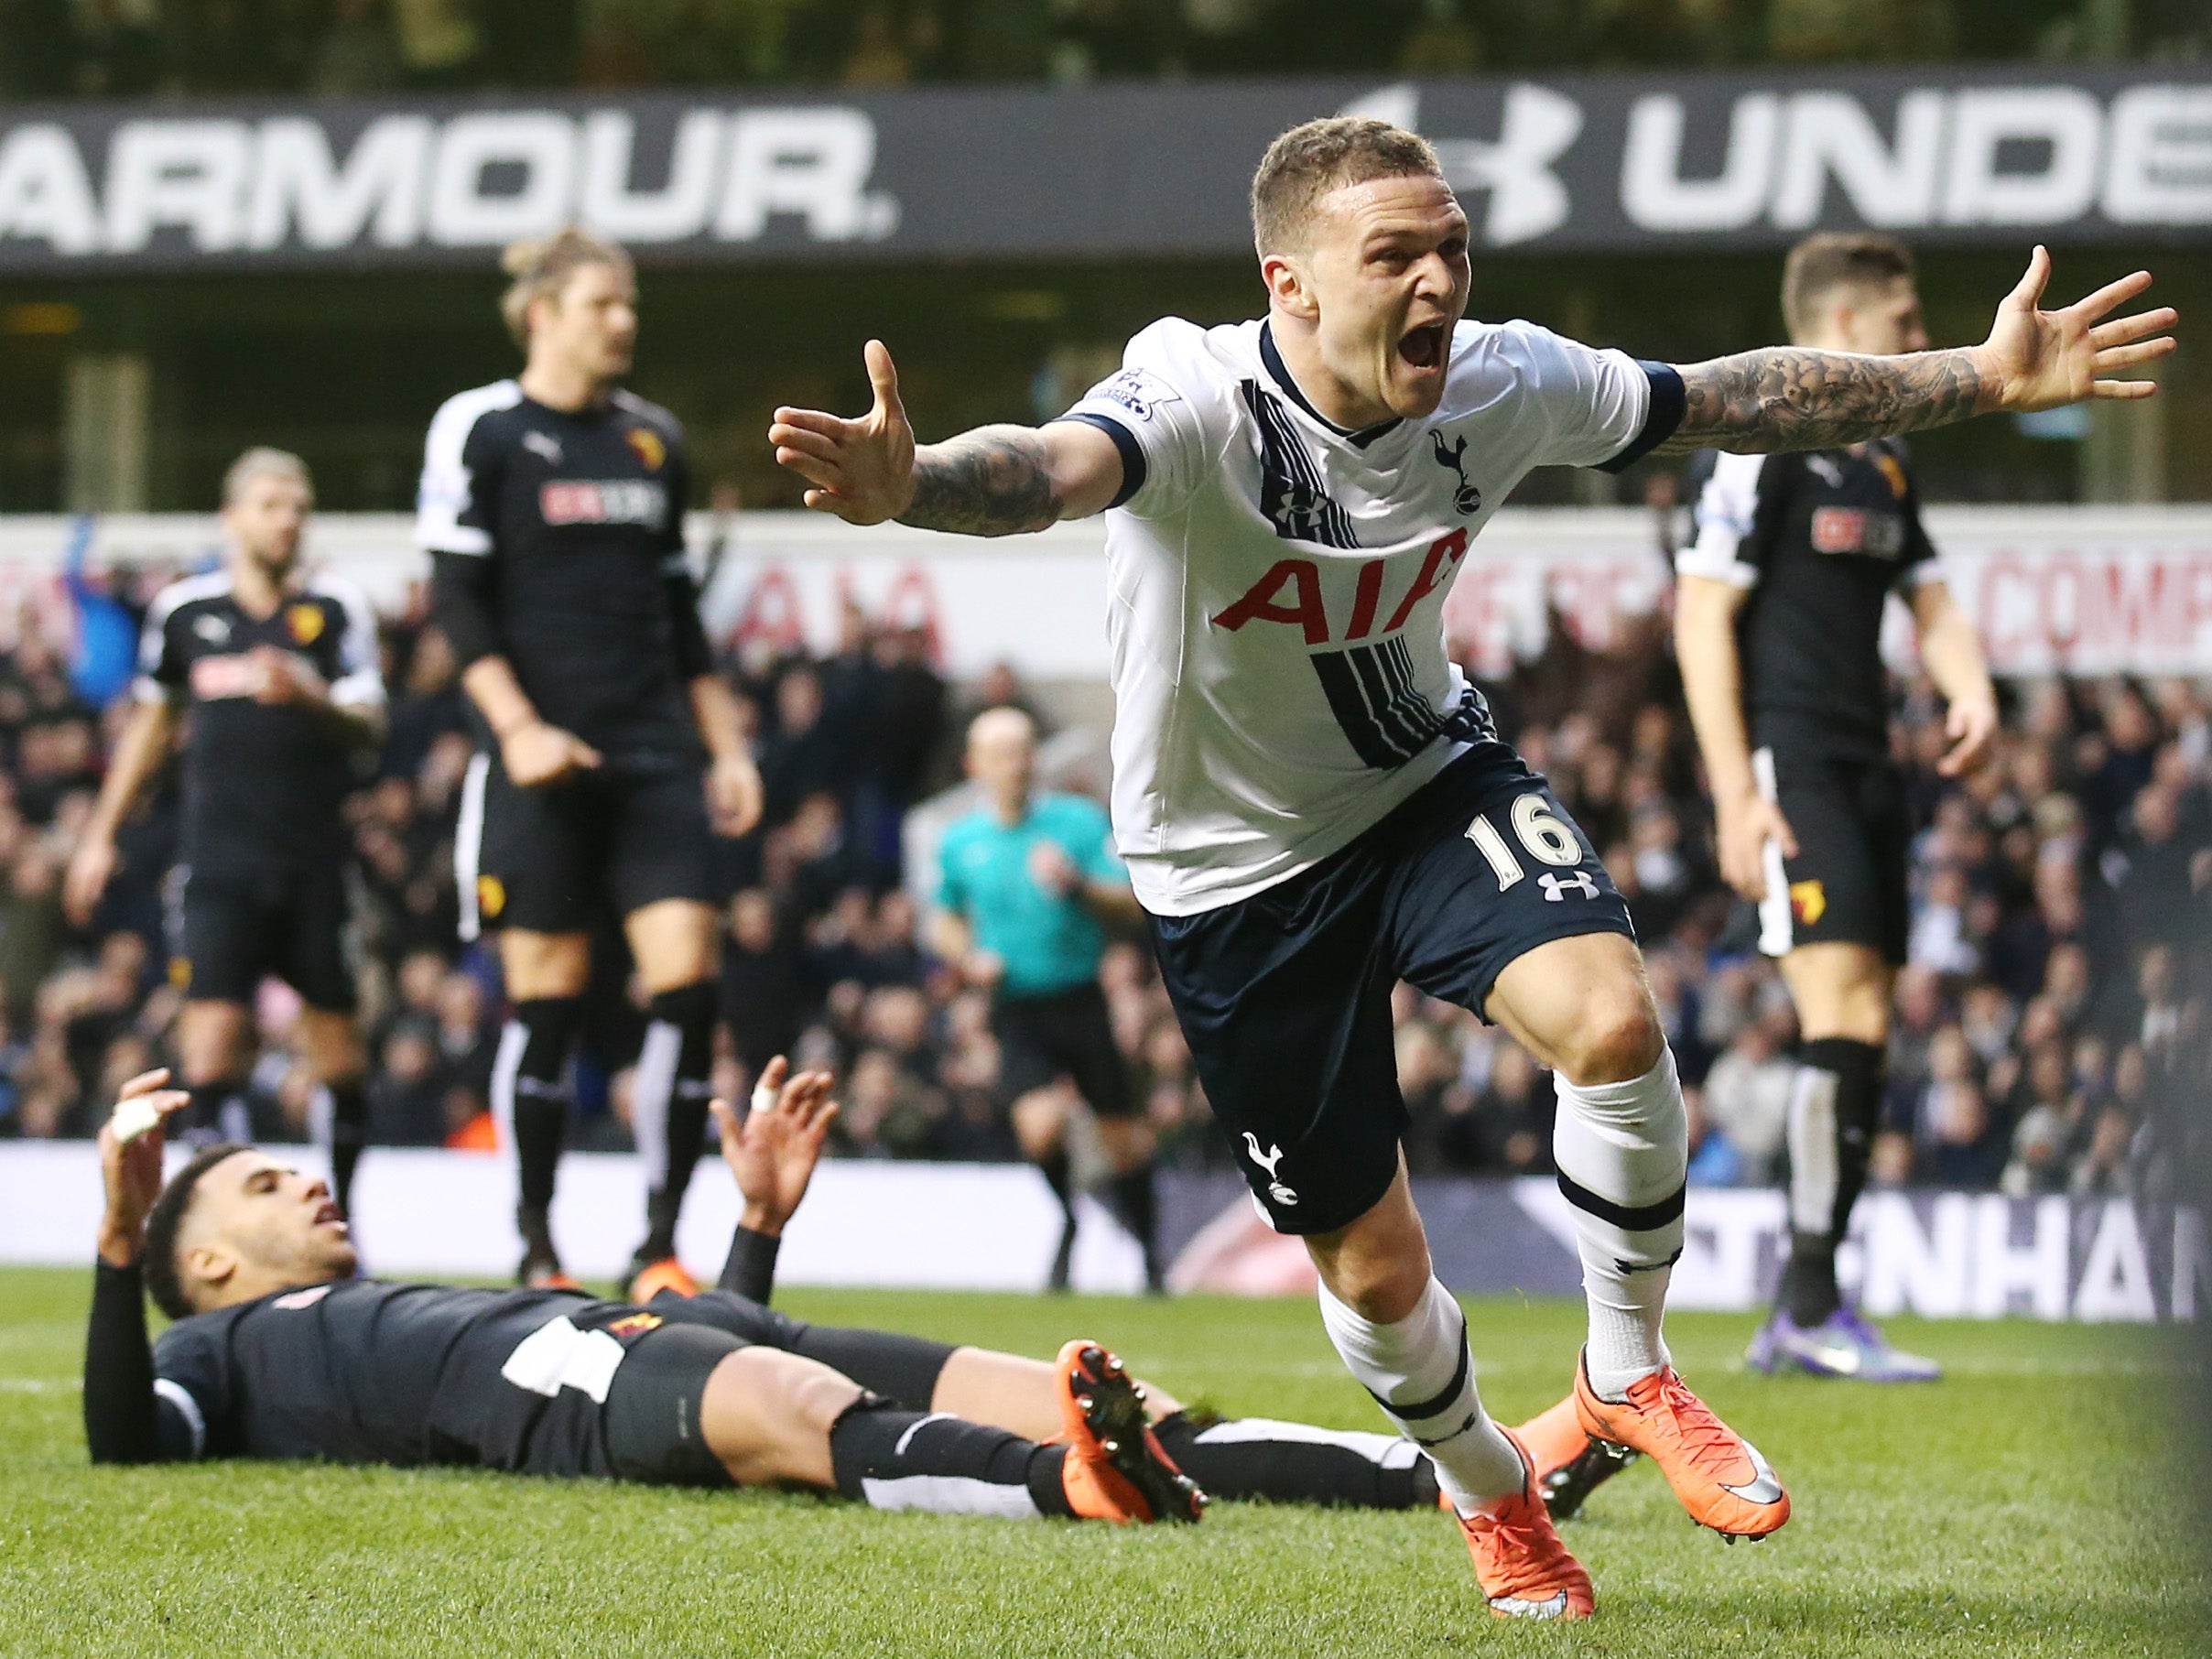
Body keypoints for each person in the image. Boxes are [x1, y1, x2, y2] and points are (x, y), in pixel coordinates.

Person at [766, 115, 2174, 1619]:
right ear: (1290, 284)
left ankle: (1628, 1368)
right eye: (1396, 255)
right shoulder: (1193, 391)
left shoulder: (1502, 377)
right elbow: (1049, 467)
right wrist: (910, 484)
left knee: (1615, 1020)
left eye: (1452, 248)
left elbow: (1730, 400)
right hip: (1228, 872)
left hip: (1422, 780)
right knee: (1372, 1273)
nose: (1437, 278)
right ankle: (1490, 1492)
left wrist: (1979, 376)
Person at [80, 1056, 1475, 1520]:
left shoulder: (367, 1295)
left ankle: (1447, 1477)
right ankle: (1068, 1488)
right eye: (263, 1190)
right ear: (199, 1263)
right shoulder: (224, 1357)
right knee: (798, 1407)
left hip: (667, 1323)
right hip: (573, 1387)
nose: (305, 1188)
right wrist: (106, 1254)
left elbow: (698, 1314)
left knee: (1121, 1399)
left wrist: (753, 1227)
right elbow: (120, 1438)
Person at [1675, 233, 2003, 1384]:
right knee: (1842, 1004)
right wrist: (1733, 792)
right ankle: (1807, 1305)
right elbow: (1700, 613)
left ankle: (1810, 1304)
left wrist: (1966, 681)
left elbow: (1934, 594)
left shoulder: (1886, 460)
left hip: (1870, 768)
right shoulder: (1755, 445)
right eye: (1906, 322)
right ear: (1848, 325)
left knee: (1864, 1010)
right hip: (1790, 759)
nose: (1921, 343)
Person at [417, 228, 764, 1294]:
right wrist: (517, 730)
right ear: (541, 312)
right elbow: (456, 603)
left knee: (688, 988)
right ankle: (535, 1244)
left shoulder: (653, 442)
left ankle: (657, 1244)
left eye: (629, 305)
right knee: (551, 1001)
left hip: (653, 753)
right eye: (602, 304)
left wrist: (725, 745)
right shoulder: (480, 430)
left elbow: (679, 620)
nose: (624, 321)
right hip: (533, 765)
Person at [65, 449, 385, 1221]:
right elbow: (153, 721)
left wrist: (312, 697)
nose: (287, 522)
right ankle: (235, 1224)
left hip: (313, 865)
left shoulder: (335, 608)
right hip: (217, 864)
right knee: (209, 1049)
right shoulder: (186, 613)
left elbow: (371, 721)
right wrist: (101, 833)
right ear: (233, 517)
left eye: (298, 508)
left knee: (340, 1061)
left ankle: (345, 1223)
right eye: (272, 505)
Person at [933, 707, 1157, 1291]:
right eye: (1001, 753)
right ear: (974, 765)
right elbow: (946, 918)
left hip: (1080, 996)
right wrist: (967, 956)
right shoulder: (961, 842)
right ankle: (1067, 1219)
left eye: (1024, 750)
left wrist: (1077, 886)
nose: (1015, 764)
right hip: (1018, 1005)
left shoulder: (1078, 825)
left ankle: (1153, 1258)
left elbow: (1130, 905)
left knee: (1124, 1141)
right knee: (1039, 1127)